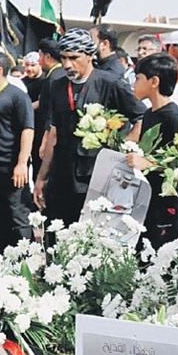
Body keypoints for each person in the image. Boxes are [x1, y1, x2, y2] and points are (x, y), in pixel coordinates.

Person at [34, 29, 145, 227]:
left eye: (74, 58)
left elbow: (141, 117)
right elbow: (54, 132)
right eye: (64, 58)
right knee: (56, 236)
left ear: (90, 56)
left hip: (95, 178)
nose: (67, 64)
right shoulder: (57, 85)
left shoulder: (110, 83)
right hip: (61, 176)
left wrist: (125, 146)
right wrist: (42, 177)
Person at [125, 53, 178, 249]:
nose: (134, 84)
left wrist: (148, 164)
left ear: (154, 81)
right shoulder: (148, 114)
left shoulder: (174, 116)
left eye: (138, 79)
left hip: (165, 201)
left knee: (161, 254)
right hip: (146, 196)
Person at [0, 53, 34, 254]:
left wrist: (22, 162)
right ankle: (2, 256)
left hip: (11, 164)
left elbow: (27, 129)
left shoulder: (17, 95)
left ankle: (26, 259)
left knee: (17, 212)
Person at [34, 39, 66, 185]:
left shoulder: (56, 77)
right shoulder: (54, 75)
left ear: (48, 56)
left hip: (48, 133)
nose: (39, 60)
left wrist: (45, 140)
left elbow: (52, 111)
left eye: (40, 56)